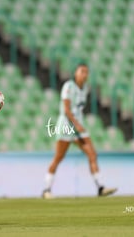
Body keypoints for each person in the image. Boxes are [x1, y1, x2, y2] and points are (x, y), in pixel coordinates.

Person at [42, 63, 117, 198]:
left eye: (86, 72)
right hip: (66, 126)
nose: (84, 74)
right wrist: (76, 124)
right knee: (58, 157)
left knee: (92, 154)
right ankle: (46, 190)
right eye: (82, 71)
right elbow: (66, 109)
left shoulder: (85, 89)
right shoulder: (68, 87)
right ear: (75, 73)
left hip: (78, 127)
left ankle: (100, 187)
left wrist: (78, 125)